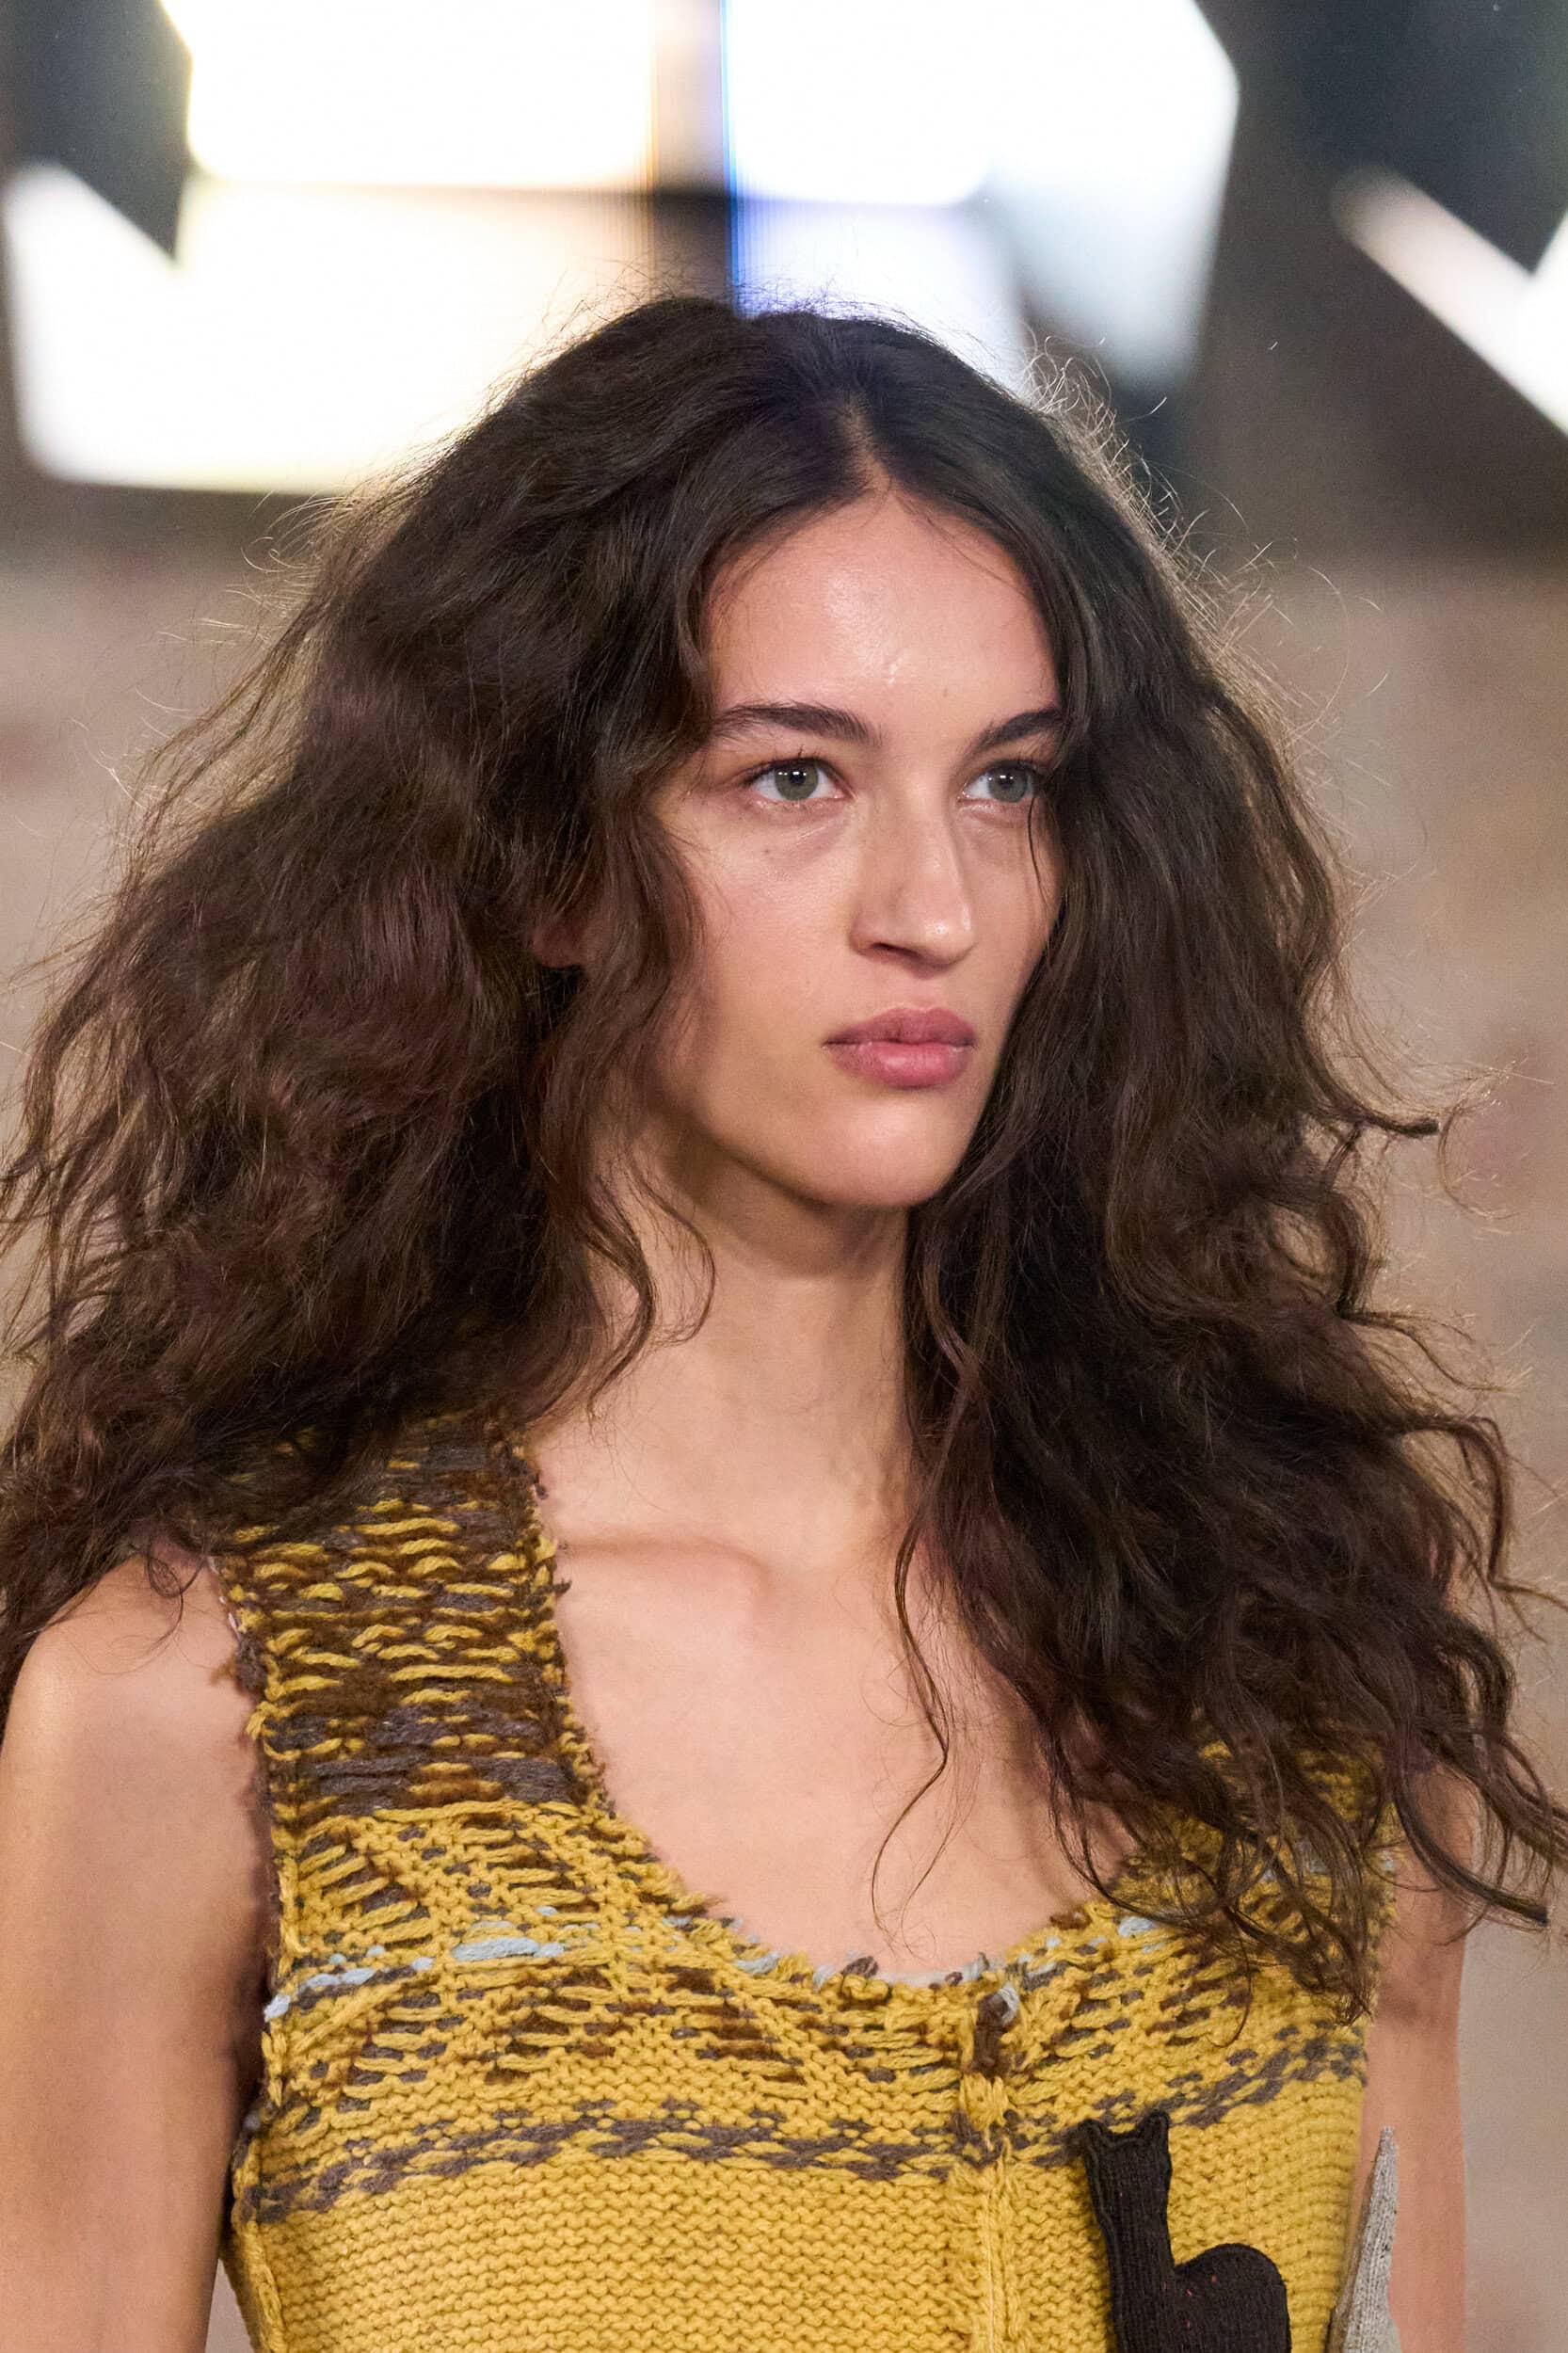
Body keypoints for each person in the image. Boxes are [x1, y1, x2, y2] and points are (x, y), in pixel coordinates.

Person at [0, 294, 1559, 2353]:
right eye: (793, 777)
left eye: (1006, 785)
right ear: (544, 860)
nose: (930, 906)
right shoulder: (206, 1702)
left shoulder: (1292, 1641)